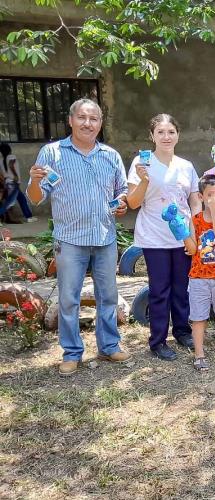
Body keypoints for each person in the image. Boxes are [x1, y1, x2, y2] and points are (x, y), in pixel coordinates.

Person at [26, 98, 130, 376]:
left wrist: (121, 202)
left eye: (94, 118)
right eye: (82, 118)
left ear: (100, 123)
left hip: (105, 237)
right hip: (70, 239)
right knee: (69, 299)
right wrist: (35, 181)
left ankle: (109, 346)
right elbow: (36, 199)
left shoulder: (110, 155)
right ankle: (72, 352)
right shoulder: (52, 153)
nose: (88, 123)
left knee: (108, 296)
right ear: (70, 121)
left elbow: (122, 191)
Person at [126, 114, 201, 361]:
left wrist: (195, 233)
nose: (166, 137)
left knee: (182, 288)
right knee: (159, 290)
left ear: (178, 135)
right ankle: (158, 340)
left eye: (171, 132)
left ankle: (182, 331)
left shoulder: (186, 166)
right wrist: (144, 179)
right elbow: (133, 202)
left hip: (182, 238)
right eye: (160, 132)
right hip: (154, 237)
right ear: (152, 136)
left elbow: (193, 201)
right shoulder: (141, 163)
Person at [182, 174, 215, 371]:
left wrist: (214, 211)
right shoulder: (194, 220)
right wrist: (181, 232)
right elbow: (193, 249)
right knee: (198, 317)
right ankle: (199, 354)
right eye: (210, 194)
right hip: (199, 276)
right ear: (200, 196)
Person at [0, 142, 37, 224]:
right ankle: (28, 217)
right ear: (9, 150)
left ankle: (29, 216)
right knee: (8, 203)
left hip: (8, 182)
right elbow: (11, 165)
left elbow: (3, 172)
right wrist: (15, 175)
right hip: (13, 182)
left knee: (21, 199)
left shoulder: (1, 160)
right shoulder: (11, 157)